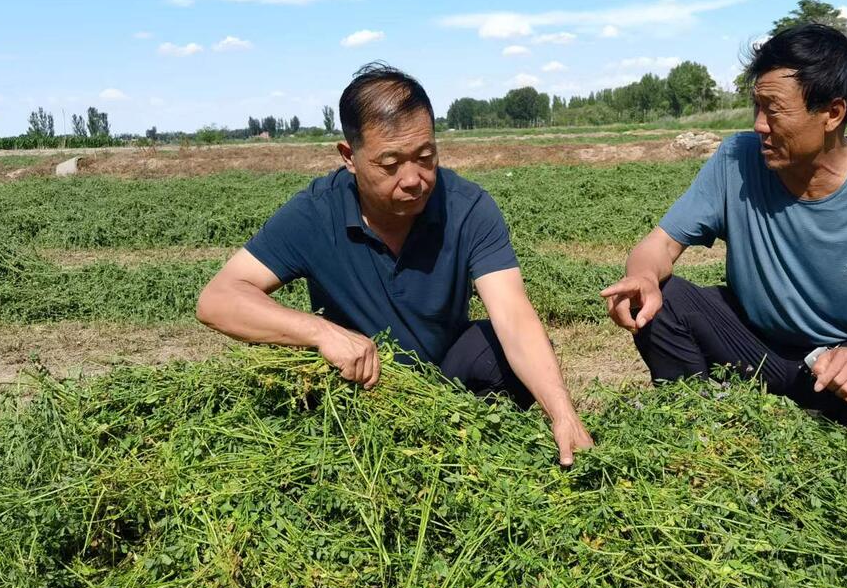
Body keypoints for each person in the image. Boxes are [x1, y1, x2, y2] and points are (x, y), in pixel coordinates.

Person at [197, 62, 592, 465]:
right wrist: (321, 333)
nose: (413, 178)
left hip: (451, 382)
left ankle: (472, 454)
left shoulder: (467, 208)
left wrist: (563, 413)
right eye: (390, 164)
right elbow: (219, 298)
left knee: (496, 349)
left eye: (425, 156)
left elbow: (514, 315)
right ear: (349, 156)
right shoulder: (316, 213)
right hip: (357, 390)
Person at [601, 24, 847, 442]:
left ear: (832, 113)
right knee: (660, 298)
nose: (760, 125)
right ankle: (696, 431)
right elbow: (661, 243)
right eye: (756, 108)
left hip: (836, 360)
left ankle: (826, 445)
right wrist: (641, 277)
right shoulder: (736, 159)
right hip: (747, 344)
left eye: (774, 110)